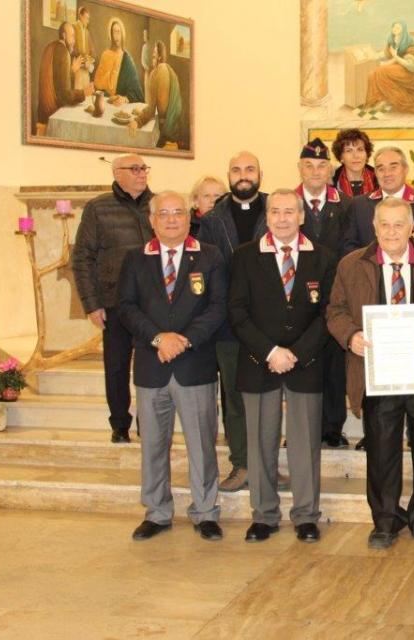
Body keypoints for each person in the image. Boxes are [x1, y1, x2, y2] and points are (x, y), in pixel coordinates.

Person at [326, 197, 414, 549]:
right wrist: (350, 336)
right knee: (382, 451)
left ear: (412, 226)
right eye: (384, 224)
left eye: (399, 224)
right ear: (374, 227)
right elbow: (336, 311)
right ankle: (385, 522)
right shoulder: (351, 265)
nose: (391, 231)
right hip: (377, 374)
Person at [227, 189, 337, 543]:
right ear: (267, 217)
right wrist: (270, 351)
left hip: (306, 362)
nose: (283, 218)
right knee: (261, 441)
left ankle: (306, 515)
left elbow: (328, 314)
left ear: (301, 216)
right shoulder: (245, 256)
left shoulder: (323, 257)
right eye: (275, 211)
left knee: (305, 444)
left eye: (290, 211)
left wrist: (297, 353)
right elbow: (237, 312)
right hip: (260, 361)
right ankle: (264, 514)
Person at [116, 191, 227, 542]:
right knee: (152, 444)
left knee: (201, 444)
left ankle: (205, 511)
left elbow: (218, 306)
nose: (171, 219)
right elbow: (127, 307)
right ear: (152, 220)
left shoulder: (208, 256)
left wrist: (184, 339)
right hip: (152, 366)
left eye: (178, 212)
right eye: (163, 213)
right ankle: (157, 511)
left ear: (188, 217)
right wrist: (159, 339)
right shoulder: (135, 259)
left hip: (195, 365)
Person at [197, 151, 272, 493]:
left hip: (270, 324)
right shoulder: (212, 219)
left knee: (269, 397)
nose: (243, 176)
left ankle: (268, 465)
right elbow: (209, 271)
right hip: (228, 324)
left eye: (249, 169)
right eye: (236, 170)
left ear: (260, 174)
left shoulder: (276, 209)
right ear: (229, 175)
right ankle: (241, 463)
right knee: (235, 396)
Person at [72, 154, 153, 443]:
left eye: (144, 168)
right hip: (114, 302)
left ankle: (150, 423)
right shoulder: (98, 208)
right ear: (117, 173)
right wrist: (91, 303)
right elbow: (82, 257)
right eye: (135, 169)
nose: (142, 174)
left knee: (151, 367)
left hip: (152, 304)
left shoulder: (157, 206)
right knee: (117, 367)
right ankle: (120, 425)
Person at [293, 139, 353, 448]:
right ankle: (301, 429)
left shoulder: (345, 204)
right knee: (302, 363)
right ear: (299, 168)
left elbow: (350, 249)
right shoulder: (287, 203)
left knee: (332, 366)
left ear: (329, 169)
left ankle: (332, 427)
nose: (315, 171)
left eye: (321, 166)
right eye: (309, 165)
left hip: (333, 295)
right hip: (295, 299)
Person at [343, 146, 414, 256]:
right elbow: (349, 248)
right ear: (375, 173)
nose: (387, 174)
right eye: (381, 169)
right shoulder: (358, 206)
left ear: (405, 169)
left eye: (393, 167)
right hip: (367, 271)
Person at [36, 21, 93, 135]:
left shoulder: (51, 46)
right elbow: (64, 95)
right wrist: (84, 93)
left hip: (42, 113)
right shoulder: (63, 52)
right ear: (63, 35)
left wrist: (71, 70)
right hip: (52, 117)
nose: (74, 41)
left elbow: (56, 81)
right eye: (72, 36)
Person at [364, 21, 414, 114]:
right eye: (394, 27)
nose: (395, 29)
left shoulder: (408, 43)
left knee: (381, 71)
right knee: (373, 73)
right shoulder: (391, 40)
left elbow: (412, 67)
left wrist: (396, 57)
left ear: (403, 30)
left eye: (398, 28)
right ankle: (379, 100)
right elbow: (386, 54)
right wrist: (373, 55)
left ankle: (385, 100)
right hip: (396, 66)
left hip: (408, 72)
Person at [129, 41, 185, 149]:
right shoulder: (169, 70)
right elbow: (162, 105)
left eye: (154, 55)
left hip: (165, 134)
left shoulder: (157, 72)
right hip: (175, 130)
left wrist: (137, 121)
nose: (152, 58)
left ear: (159, 57)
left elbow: (151, 110)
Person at [93, 18, 144, 106]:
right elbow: (97, 83)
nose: (116, 36)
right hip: (104, 102)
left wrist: (125, 99)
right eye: (114, 32)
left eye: (118, 32)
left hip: (120, 105)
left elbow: (137, 92)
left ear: (122, 34)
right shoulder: (105, 55)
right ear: (111, 35)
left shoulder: (127, 59)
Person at [331, 129, 378, 197]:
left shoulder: (380, 178)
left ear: (367, 154)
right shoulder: (330, 182)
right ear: (341, 157)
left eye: (360, 149)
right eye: (349, 151)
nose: (356, 156)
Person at [72, 7, 95, 90]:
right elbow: (72, 47)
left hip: (86, 67)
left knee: (86, 92)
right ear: (80, 16)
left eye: (88, 19)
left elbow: (91, 49)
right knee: (78, 91)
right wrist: (82, 59)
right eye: (86, 18)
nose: (88, 21)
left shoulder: (87, 32)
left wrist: (89, 60)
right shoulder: (73, 27)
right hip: (77, 65)